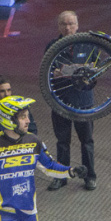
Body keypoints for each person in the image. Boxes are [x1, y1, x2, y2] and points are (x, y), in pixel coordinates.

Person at [45, 10, 97, 191]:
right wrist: (72, 71)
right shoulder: (52, 46)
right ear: (58, 26)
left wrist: (69, 71)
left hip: (84, 101)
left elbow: (95, 71)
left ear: (77, 25)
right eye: (64, 24)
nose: (67, 28)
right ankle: (61, 177)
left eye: (71, 24)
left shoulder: (89, 45)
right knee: (62, 142)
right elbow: (49, 72)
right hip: (60, 101)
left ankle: (90, 176)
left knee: (87, 141)